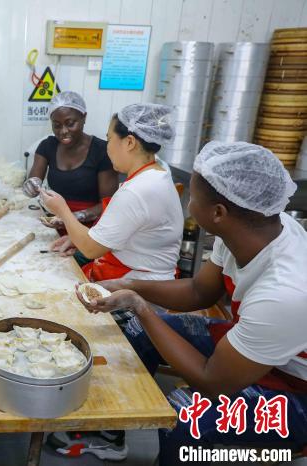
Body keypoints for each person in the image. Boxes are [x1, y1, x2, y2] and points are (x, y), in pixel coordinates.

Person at [70, 141, 307, 464]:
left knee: (186, 415)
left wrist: (139, 304)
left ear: (218, 213)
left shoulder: (285, 291)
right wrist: (130, 285)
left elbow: (212, 380)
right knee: (137, 330)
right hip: (257, 352)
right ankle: (112, 432)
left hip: (296, 388)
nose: (187, 203)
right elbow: (199, 291)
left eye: (192, 198)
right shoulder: (246, 232)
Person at [40, 103, 183, 282]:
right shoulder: (158, 170)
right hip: (143, 275)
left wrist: (62, 210)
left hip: (138, 288)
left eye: (109, 140)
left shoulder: (137, 191)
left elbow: (91, 249)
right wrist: (78, 238)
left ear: (129, 142)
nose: (107, 147)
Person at [23, 91, 118, 236]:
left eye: (70, 123)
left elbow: (108, 204)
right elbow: (34, 180)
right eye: (56, 125)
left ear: (84, 117)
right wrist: (31, 186)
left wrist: (73, 217)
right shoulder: (47, 146)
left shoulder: (101, 151)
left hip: (91, 228)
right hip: (55, 223)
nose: (63, 131)